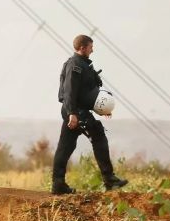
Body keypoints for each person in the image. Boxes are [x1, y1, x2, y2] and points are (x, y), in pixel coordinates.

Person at [51, 35, 128, 195]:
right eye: (90, 46)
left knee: (66, 146)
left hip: (77, 111)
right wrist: (72, 113)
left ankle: (58, 184)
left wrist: (102, 109)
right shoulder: (75, 65)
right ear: (82, 47)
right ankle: (109, 180)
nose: (92, 49)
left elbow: (86, 92)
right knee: (98, 137)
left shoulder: (83, 64)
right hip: (76, 112)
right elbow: (69, 91)